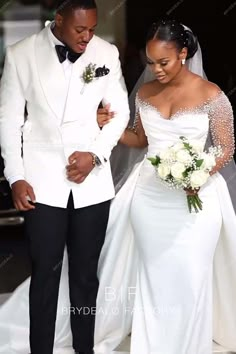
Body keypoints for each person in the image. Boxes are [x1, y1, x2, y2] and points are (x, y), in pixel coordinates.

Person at [0, 19, 236, 354]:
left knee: (189, 277)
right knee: (153, 278)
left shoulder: (213, 96)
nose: (156, 70)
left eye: (163, 62)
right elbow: (139, 139)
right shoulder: (145, 92)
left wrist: (198, 174)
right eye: (150, 63)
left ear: (183, 54)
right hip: (149, 199)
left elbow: (226, 147)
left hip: (194, 200)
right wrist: (103, 125)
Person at [0, 0, 129, 353]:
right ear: (59, 20)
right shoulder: (20, 54)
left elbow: (119, 112)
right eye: (79, 30)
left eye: (92, 29)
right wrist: (16, 177)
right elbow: (9, 122)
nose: (87, 37)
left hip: (93, 186)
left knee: (86, 277)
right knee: (45, 275)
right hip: (41, 183)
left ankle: (84, 349)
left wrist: (97, 155)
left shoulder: (106, 52)